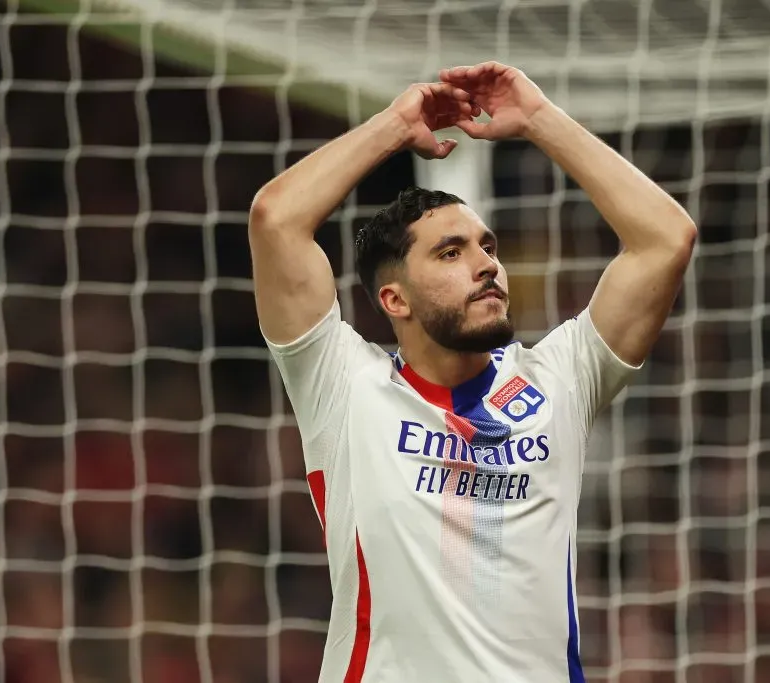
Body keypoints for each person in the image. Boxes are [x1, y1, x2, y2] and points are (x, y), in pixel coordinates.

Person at [249, 61, 696, 683]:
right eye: (450, 253)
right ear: (394, 300)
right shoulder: (345, 388)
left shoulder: (559, 380)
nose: (487, 265)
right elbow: (276, 219)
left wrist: (539, 120)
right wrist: (394, 126)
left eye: (488, 247)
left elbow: (666, 239)